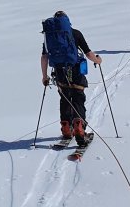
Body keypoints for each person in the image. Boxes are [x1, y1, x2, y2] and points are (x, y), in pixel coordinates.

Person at [40, 11, 102, 145]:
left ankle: (66, 128)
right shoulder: (75, 33)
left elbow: (44, 57)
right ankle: (79, 128)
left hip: (59, 72)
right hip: (75, 71)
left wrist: (44, 77)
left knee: (65, 99)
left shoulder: (49, 37)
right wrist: (97, 60)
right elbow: (88, 53)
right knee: (78, 98)